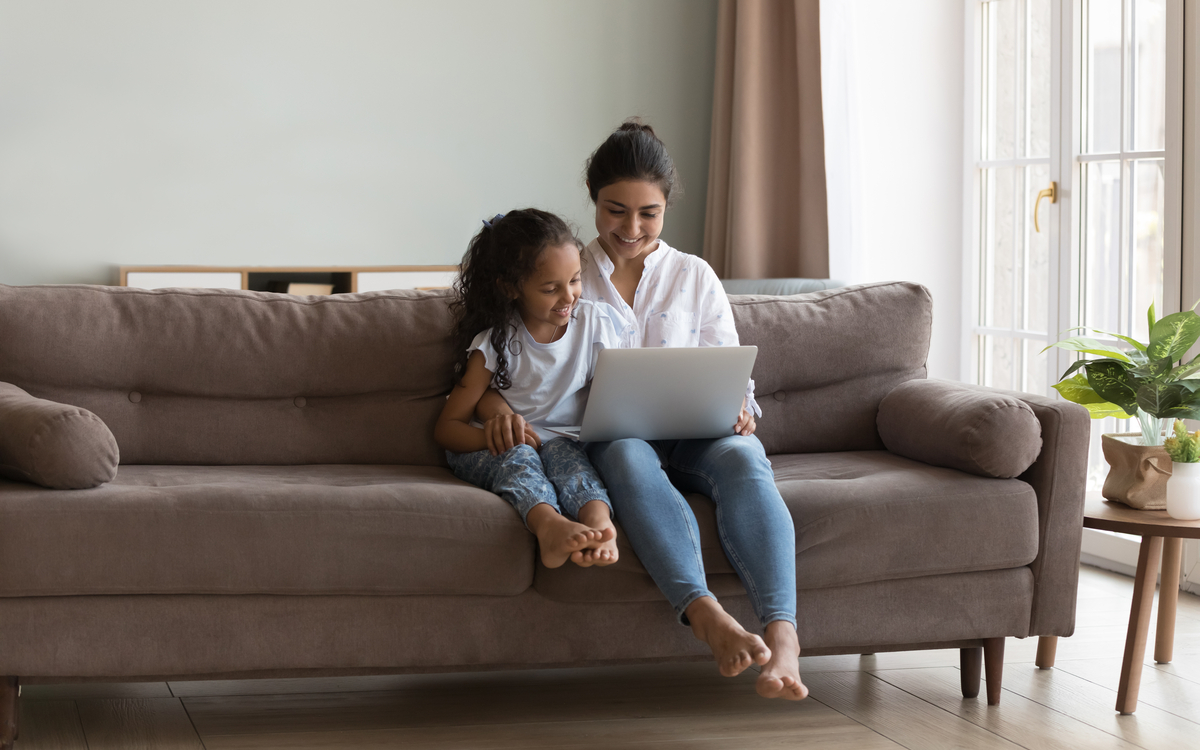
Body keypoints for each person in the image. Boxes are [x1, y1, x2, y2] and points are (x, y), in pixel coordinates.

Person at [477, 122, 807, 700]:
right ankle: (706, 615)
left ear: (667, 207)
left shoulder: (694, 275)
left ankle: (784, 637)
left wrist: (739, 404)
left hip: (700, 431)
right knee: (628, 458)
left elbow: (731, 368)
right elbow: (509, 358)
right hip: (618, 436)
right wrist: (497, 404)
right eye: (616, 211)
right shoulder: (562, 272)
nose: (631, 229)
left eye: (648, 214)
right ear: (593, 198)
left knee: (745, 459)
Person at [435, 208, 621, 569]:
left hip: (562, 442)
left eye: (575, 280)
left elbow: (617, 397)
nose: (568, 297)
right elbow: (447, 428)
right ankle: (549, 527)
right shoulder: (496, 341)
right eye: (550, 289)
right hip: (497, 447)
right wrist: (494, 437)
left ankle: (600, 526)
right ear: (511, 288)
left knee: (572, 462)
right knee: (520, 459)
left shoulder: (595, 325)